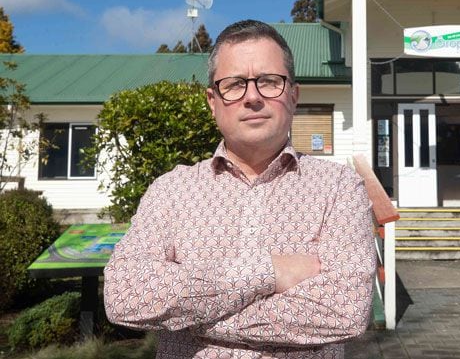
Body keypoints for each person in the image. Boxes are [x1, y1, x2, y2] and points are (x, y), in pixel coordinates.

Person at [104, 19, 376, 358]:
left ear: (293, 95)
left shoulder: (339, 188)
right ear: (212, 100)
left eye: (269, 81)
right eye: (234, 84)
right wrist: (271, 273)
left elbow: (346, 311)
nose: (252, 97)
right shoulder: (171, 191)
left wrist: (188, 318)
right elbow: (124, 295)